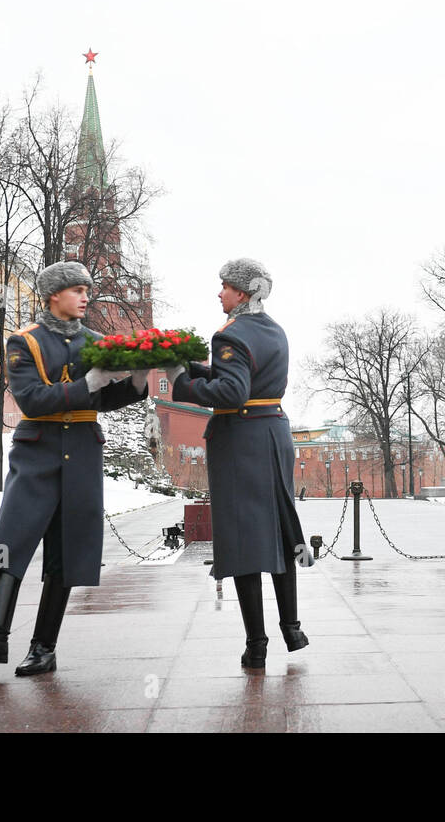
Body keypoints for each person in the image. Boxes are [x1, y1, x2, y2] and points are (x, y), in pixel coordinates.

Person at [0, 261, 148, 676]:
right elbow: (32, 400)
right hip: (38, 451)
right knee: (9, 541)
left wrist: (136, 379)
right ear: (54, 295)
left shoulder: (98, 342)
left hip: (82, 451)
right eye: (77, 290)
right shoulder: (23, 341)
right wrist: (90, 383)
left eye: (88, 290)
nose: (86, 297)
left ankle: (43, 649)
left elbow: (104, 401)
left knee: (67, 552)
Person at [169, 258, 310, 668]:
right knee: (282, 535)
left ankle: (257, 644)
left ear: (242, 293)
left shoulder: (230, 334)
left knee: (246, 540)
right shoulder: (273, 329)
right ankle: (293, 628)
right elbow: (243, 375)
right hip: (273, 433)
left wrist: (181, 382)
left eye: (225, 286)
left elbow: (231, 391)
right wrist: (194, 365)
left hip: (241, 442)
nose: (220, 292)